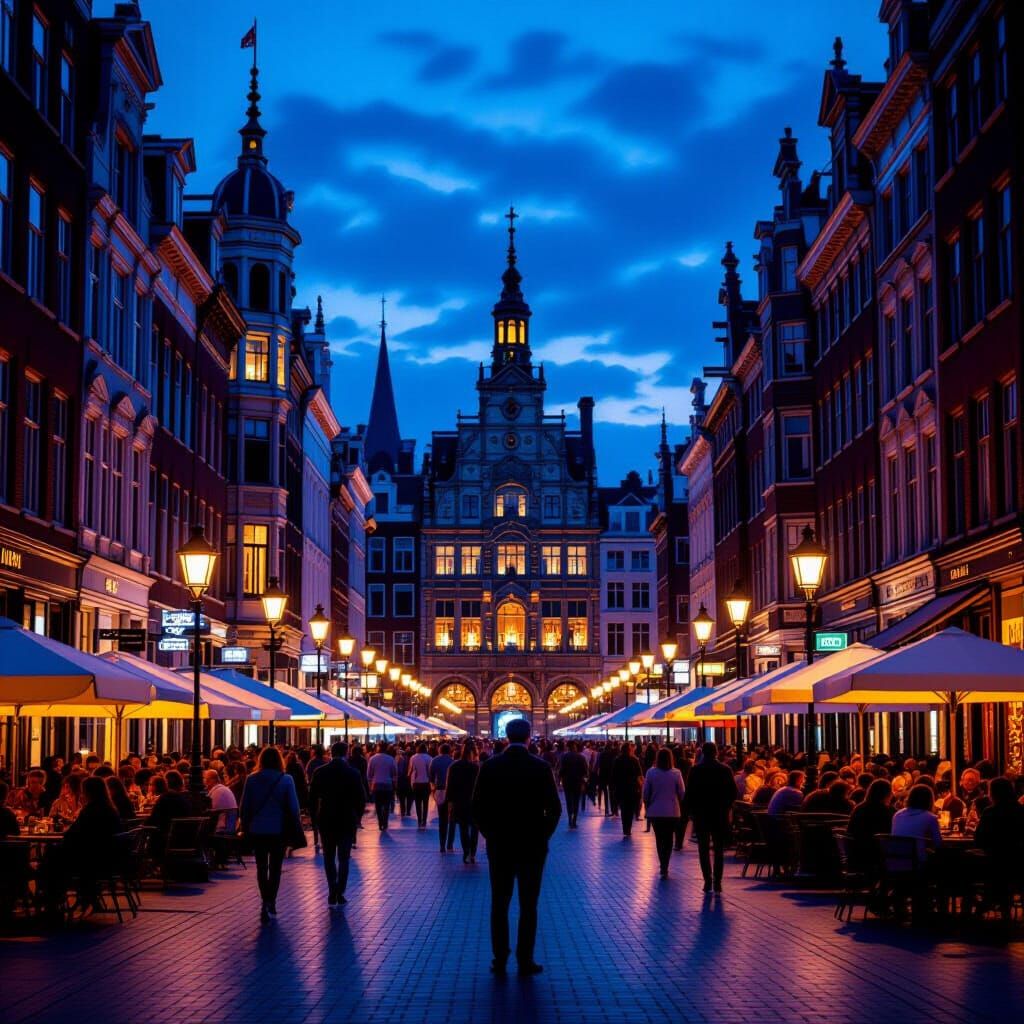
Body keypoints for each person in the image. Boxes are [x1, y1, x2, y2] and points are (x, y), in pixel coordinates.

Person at [471, 718, 561, 976]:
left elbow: (477, 807)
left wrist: (490, 833)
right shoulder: (541, 767)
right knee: (528, 904)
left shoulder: (489, 766)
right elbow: (554, 809)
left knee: (499, 903)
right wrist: (542, 835)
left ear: (506, 737)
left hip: (500, 846)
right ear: (529, 737)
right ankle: (525, 958)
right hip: (533, 846)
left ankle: (499, 958)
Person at [239, 746, 301, 923]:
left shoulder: (252, 779)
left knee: (261, 866)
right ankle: (271, 900)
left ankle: (264, 899)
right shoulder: (286, 779)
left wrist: (244, 825)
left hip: (257, 829)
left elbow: (245, 807)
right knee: (275, 868)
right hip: (278, 830)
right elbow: (294, 808)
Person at [309, 742, 366, 907]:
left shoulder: (320, 772)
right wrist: (357, 817)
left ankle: (332, 889)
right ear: (346, 753)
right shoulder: (353, 773)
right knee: (344, 857)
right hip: (347, 819)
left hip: (326, 818)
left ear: (331, 753)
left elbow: (312, 798)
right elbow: (361, 798)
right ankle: (340, 891)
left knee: (328, 856)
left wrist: (315, 818)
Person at [60, 776, 122, 914]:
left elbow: (71, 835)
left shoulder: (91, 810)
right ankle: (88, 897)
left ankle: (52, 902)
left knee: (52, 860)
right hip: (110, 858)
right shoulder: (110, 809)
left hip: (92, 861)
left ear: (87, 792)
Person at [685, 742, 738, 893]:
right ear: (716, 753)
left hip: (701, 814)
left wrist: (691, 811)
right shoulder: (725, 769)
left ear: (703, 753)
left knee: (703, 848)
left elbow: (690, 793)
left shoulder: (695, 770)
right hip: (719, 814)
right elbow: (733, 792)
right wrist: (726, 806)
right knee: (718, 849)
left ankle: (707, 880)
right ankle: (718, 881)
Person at [973, 776, 1024, 919]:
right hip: (1018, 863)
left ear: (992, 793)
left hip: (992, 863)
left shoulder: (989, 812)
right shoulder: (1021, 811)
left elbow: (979, 840)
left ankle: (981, 903)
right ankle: (998, 903)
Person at [643, 748, 686, 878]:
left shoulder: (651, 773)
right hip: (672, 811)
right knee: (668, 839)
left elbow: (645, 793)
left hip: (656, 811)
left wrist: (646, 804)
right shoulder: (676, 773)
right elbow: (682, 793)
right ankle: (665, 864)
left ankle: (663, 864)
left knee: (659, 839)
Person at [846, 778, 894, 873]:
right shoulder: (885, 811)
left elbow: (849, 831)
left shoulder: (858, 808)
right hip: (875, 854)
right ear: (887, 794)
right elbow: (890, 834)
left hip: (856, 852)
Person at [445, 740, 481, 863]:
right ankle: (473, 853)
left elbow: (449, 786)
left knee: (463, 828)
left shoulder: (454, 766)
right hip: (474, 803)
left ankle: (466, 851)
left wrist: (450, 802)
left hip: (459, 802)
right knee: (475, 828)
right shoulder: (475, 768)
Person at [145, 769, 192, 858]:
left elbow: (153, 819)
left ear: (166, 783)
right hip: (184, 837)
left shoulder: (166, 797)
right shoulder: (185, 797)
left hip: (166, 838)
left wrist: (141, 826)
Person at [891, 783, 942, 859]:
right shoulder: (930, 817)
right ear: (930, 801)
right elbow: (938, 844)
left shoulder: (897, 815)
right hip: (916, 863)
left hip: (894, 862)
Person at [611, 742, 644, 838]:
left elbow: (614, 775)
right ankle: (628, 828)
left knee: (623, 808)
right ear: (630, 750)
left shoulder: (617, 760)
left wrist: (614, 787)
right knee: (630, 809)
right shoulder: (634, 760)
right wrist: (640, 786)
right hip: (632, 788)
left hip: (621, 788)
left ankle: (625, 827)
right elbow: (640, 774)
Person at [366, 742, 397, 831]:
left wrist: (370, 787)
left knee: (378, 805)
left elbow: (369, 775)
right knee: (387, 805)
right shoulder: (391, 759)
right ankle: (385, 822)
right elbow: (394, 773)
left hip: (376, 785)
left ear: (378, 748)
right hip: (388, 785)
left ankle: (380, 823)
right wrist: (394, 785)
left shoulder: (372, 759)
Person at [430, 743, 455, 852]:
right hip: (450, 792)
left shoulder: (434, 761)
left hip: (440, 790)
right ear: (449, 750)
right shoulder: (453, 762)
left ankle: (442, 844)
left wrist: (433, 788)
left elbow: (431, 777)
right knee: (452, 818)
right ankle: (450, 843)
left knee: (442, 818)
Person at [558, 741, 589, 829]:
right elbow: (585, 771)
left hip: (567, 781)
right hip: (578, 782)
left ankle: (569, 819)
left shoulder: (564, 757)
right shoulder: (581, 757)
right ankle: (574, 819)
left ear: (568, 747)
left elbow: (561, 770)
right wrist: (584, 782)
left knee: (569, 801)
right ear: (575, 747)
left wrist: (559, 781)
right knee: (576, 801)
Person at [204, 769, 238, 833]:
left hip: (221, 830)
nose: (205, 782)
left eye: (206, 779)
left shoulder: (216, 792)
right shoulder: (224, 789)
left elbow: (209, 812)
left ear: (212, 780)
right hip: (231, 827)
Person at [408, 742, 433, 829]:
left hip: (416, 783)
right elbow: (431, 772)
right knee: (425, 803)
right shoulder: (429, 758)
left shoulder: (413, 757)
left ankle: (419, 820)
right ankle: (424, 821)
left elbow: (410, 771)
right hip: (426, 783)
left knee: (418, 803)